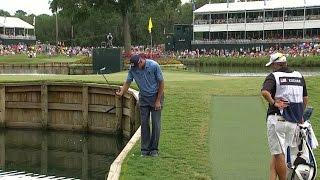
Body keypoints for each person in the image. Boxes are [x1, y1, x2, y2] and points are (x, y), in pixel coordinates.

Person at [261, 52, 308, 180]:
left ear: (277, 64)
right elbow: (305, 99)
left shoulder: (274, 76)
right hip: (293, 121)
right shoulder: (299, 76)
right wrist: (300, 115)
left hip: (277, 119)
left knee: (278, 154)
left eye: (272, 65)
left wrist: (274, 103)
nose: (272, 68)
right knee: (277, 153)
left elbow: (265, 92)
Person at [116, 54, 164, 157]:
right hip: (143, 98)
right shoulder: (133, 68)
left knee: (156, 124)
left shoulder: (154, 65)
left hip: (156, 96)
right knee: (144, 124)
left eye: (137, 66)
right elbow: (128, 82)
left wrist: (158, 100)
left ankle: (154, 149)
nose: (136, 69)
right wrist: (121, 93)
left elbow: (161, 82)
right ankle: (145, 150)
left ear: (141, 61)